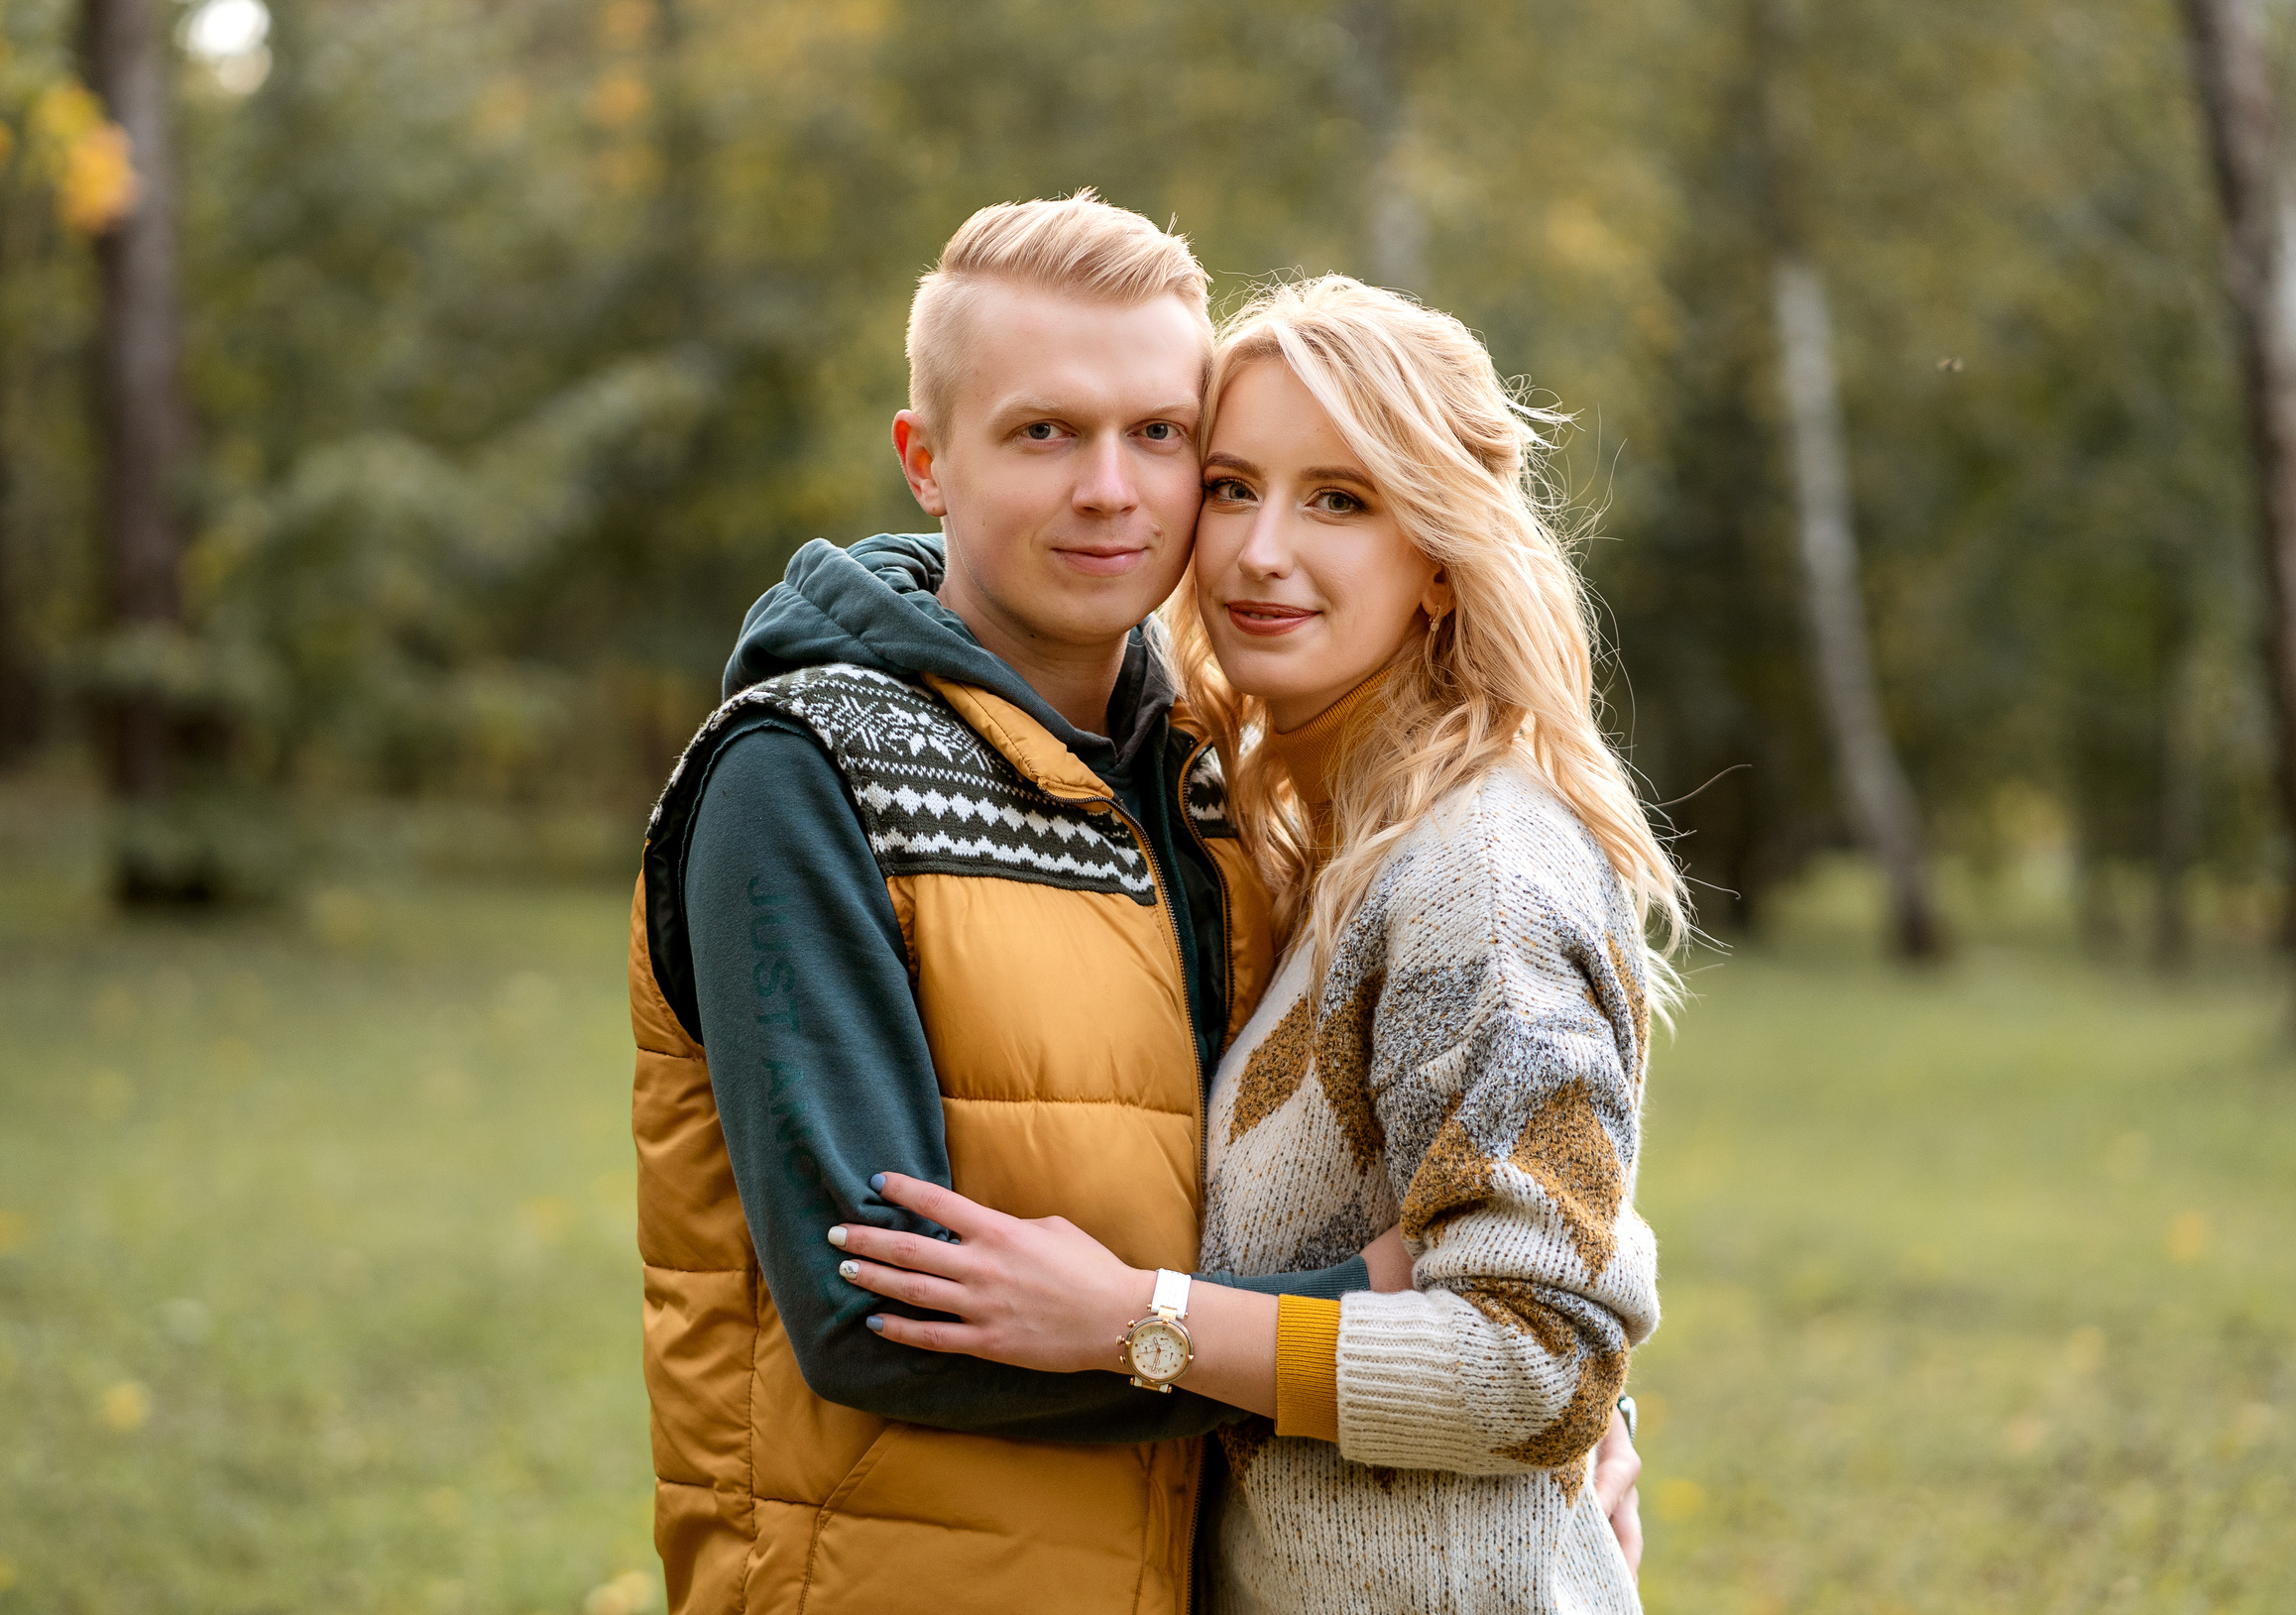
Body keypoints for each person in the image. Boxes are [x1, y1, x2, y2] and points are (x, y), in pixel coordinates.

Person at [829, 275, 1684, 1614]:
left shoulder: (1482, 875)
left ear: (1444, 556)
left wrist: (1131, 1322)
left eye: (1340, 499)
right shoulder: (1300, 845)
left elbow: (1541, 1363)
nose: (1258, 554)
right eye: (1232, 486)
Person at [629, 193, 1399, 1615]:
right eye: (1045, 431)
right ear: (928, 462)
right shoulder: (800, 774)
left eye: (1159, 434)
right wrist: (1385, 1354)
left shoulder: (1214, 778)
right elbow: (879, 1319)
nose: (1111, 488)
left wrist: (1546, 1382)